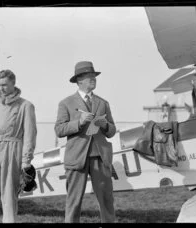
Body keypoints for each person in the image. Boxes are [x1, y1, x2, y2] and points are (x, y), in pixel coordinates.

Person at [55, 61, 116, 223]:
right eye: (89, 77)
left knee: (107, 201)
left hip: (100, 158)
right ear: (79, 81)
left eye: (94, 76)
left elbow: (112, 131)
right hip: (76, 158)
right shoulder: (65, 103)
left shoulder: (103, 103)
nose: (93, 79)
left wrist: (105, 125)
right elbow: (59, 130)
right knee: (73, 202)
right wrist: (79, 122)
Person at [0, 69, 37, 223]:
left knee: (9, 195)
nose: (1, 89)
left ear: (13, 83)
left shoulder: (26, 105)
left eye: (4, 84)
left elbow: (30, 135)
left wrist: (26, 161)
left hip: (12, 152)